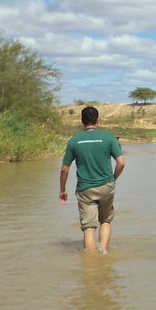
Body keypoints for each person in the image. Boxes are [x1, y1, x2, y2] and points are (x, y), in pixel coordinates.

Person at [59, 106, 125, 254]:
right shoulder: (109, 138)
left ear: (82, 121)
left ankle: (91, 262)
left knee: (89, 227)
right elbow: (121, 163)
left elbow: (64, 169)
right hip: (106, 186)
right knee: (106, 220)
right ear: (97, 120)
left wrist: (62, 190)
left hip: (85, 188)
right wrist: (113, 179)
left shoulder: (74, 141)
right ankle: (103, 251)